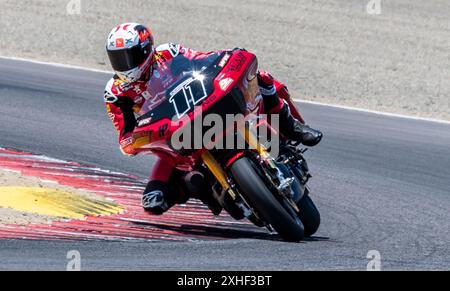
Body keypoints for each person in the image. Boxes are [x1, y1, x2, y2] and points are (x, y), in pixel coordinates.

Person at [104, 23, 322, 215]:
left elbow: (203, 62)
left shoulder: (168, 53)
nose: (122, 64)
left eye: (127, 56)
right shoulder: (115, 92)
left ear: (145, 50)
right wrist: (142, 137)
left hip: (206, 107)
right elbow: (125, 138)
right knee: (155, 201)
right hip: (175, 133)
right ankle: (217, 194)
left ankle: (291, 126)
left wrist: (227, 59)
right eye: (116, 58)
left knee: (261, 77)